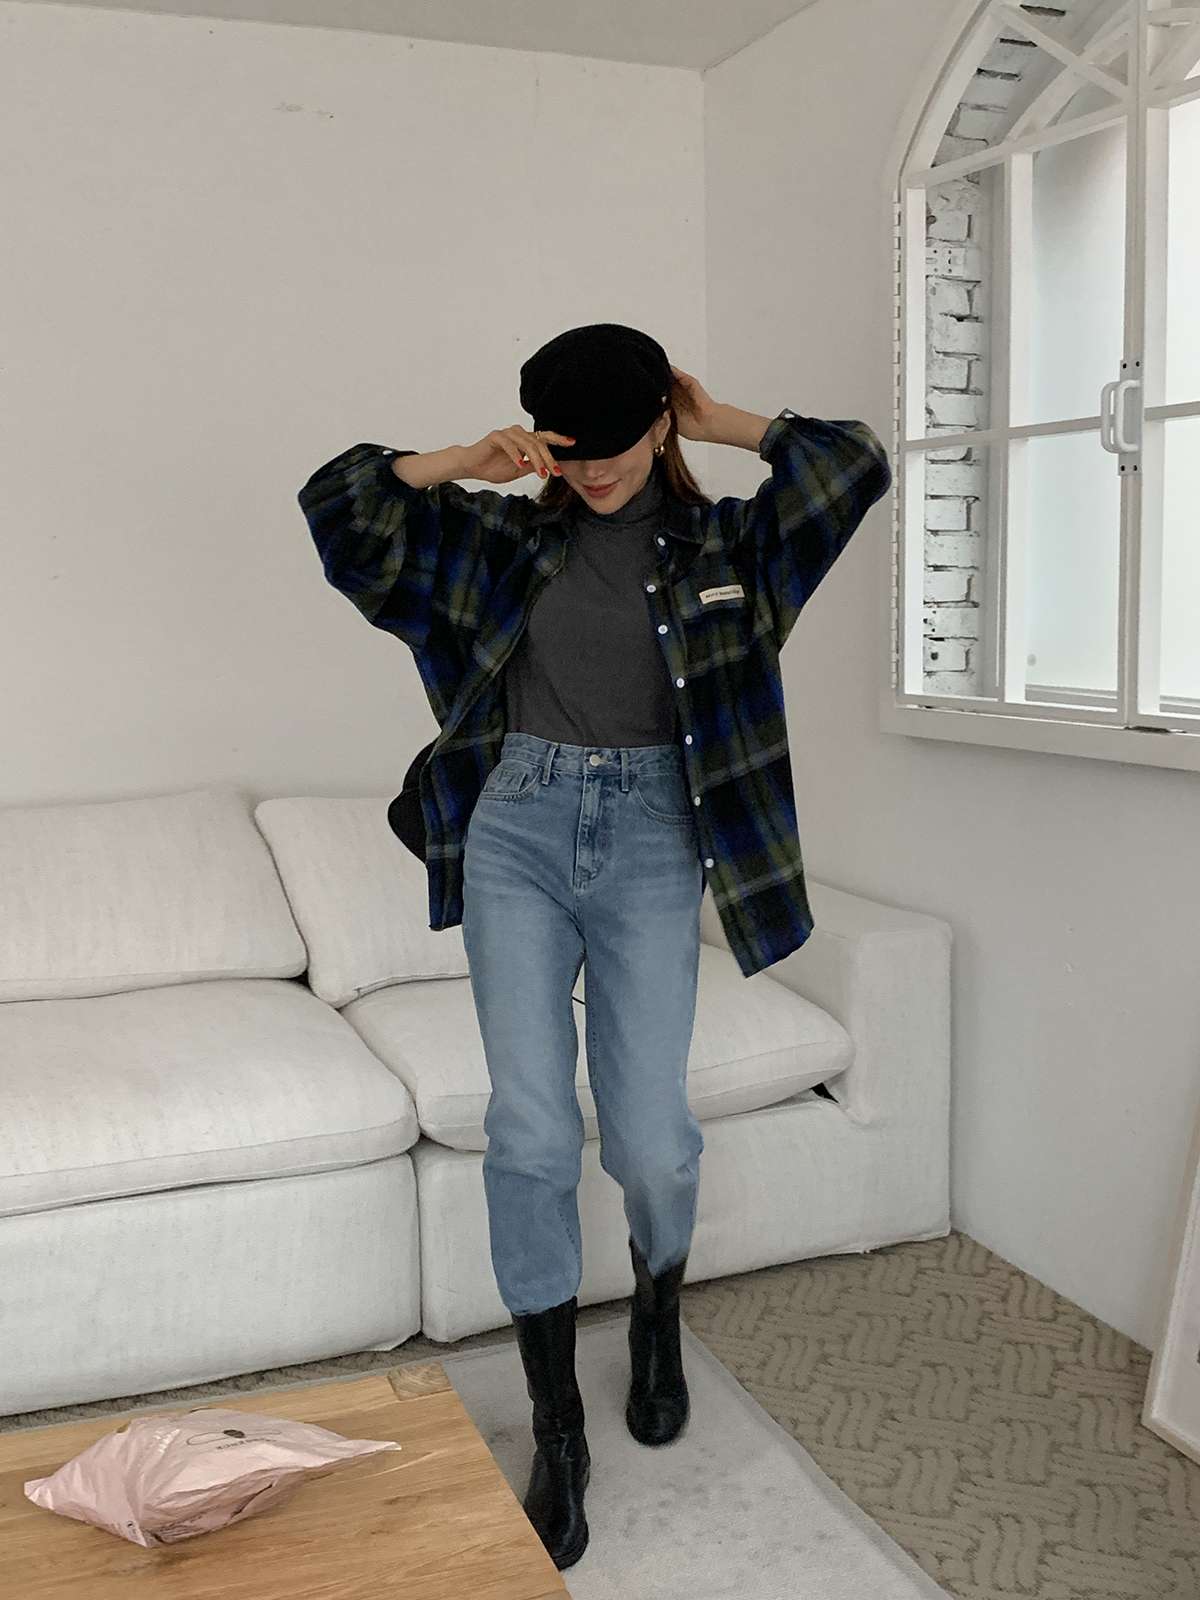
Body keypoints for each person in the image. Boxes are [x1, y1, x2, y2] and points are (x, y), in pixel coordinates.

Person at [298, 322, 893, 1571]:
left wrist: (725, 420)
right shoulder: (500, 542)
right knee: (527, 1126)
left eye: (617, 442)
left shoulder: (729, 547)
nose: (595, 469)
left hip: (655, 843)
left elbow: (853, 466)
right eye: (571, 451)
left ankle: (658, 1308)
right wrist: (461, 461)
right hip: (516, 827)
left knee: (650, 1136)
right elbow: (342, 512)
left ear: (659, 422)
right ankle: (558, 1425)